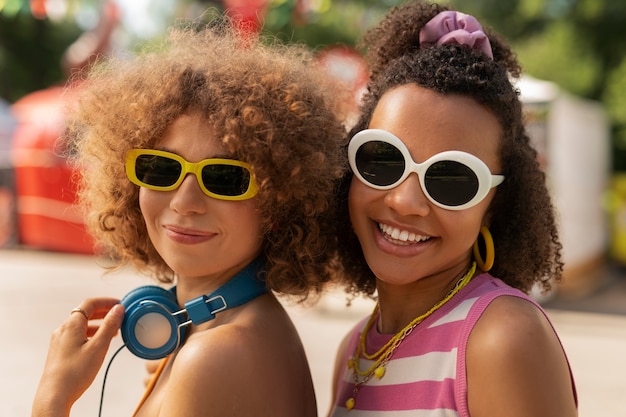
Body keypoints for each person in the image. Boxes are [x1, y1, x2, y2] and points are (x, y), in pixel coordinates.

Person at [31, 20, 349, 417]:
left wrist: (52, 398)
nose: (185, 201)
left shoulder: (215, 356)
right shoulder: (210, 330)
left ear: (278, 205)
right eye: (162, 168)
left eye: (226, 178)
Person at [328, 2, 578, 416]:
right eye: (384, 160)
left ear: (495, 205)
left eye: (452, 179)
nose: (404, 201)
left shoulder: (501, 338)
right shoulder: (352, 351)